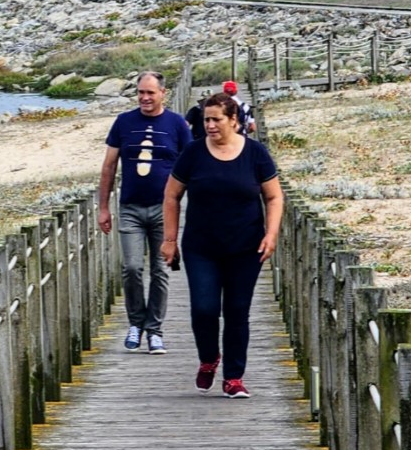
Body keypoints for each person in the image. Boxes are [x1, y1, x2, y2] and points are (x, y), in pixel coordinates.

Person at [161, 92, 284, 398]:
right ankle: (208, 358)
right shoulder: (193, 153)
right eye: (206, 120)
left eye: (216, 119)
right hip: (201, 246)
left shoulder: (256, 153)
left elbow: (274, 196)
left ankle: (234, 377)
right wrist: (169, 239)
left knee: (237, 310)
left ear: (234, 120)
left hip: (246, 246)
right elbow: (171, 196)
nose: (211, 125)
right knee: (204, 309)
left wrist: (271, 234)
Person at [98, 71, 196, 355]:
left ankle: (154, 330)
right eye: (141, 92)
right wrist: (103, 207)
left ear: (162, 93)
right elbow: (109, 166)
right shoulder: (124, 122)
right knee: (131, 268)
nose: (144, 97)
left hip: (165, 210)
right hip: (130, 207)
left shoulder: (177, 124)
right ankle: (135, 323)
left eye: (150, 92)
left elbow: (191, 166)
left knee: (159, 270)